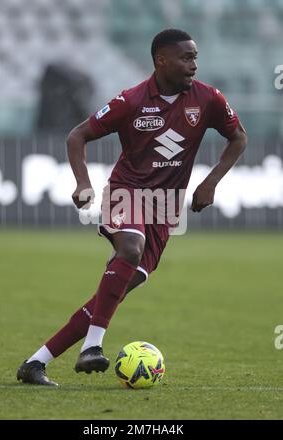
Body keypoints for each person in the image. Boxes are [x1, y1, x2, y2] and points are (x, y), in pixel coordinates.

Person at [17, 29, 247, 386]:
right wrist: (82, 183)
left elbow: (238, 137)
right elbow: (77, 135)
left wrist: (210, 182)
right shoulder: (132, 101)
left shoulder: (208, 99)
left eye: (195, 57)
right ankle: (92, 347)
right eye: (186, 58)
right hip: (126, 193)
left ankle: (36, 363)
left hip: (165, 210)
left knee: (112, 294)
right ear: (162, 61)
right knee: (130, 249)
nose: (194, 65)